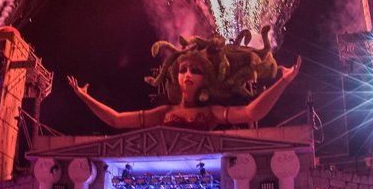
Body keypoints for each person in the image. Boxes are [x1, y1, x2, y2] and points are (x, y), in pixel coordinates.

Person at [68, 33, 300, 131]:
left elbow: (251, 113)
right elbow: (117, 120)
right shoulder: (164, 112)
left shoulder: (211, 112)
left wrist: (284, 82)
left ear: (206, 79)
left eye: (195, 71)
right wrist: (84, 97)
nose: (187, 75)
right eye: (183, 70)